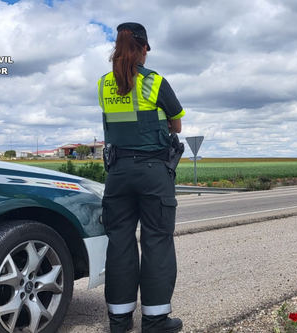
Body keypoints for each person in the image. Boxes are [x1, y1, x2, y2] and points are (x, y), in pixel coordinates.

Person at [97, 22, 184, 333]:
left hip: (117, 174)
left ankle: (119, 322)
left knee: (119, 242)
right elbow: (176, 125)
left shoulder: (104, 84)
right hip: (153, 173)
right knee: (156, 241)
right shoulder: (155, 82)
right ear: (144, 48)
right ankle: (155, 320)